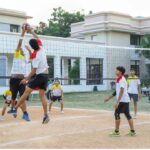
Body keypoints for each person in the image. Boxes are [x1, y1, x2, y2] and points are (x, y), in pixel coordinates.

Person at [12, 27, 50, 124]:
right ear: (37, 44)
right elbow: (37, 37)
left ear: (32, 47)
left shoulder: (35, 55)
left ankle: (15, 108)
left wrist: (26, 79)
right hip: (46, 76)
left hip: (40, 75)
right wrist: (31, 31)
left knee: (26, 91)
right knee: (42, 96)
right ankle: (46, 116)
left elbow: (34, 70)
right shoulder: (41, 48)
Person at [104, 66, 136, 136]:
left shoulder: (121, 79)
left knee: (117, 114)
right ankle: (132, 131)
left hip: (122, 100)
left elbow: (122, 90)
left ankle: (116, 131)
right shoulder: (119, 79)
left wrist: (118, 102)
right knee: (127, 115)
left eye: (117, 70)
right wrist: (109, 98)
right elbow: (117, 91)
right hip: (125, 100)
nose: (115, 71)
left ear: (120, 72)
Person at [8, 28, 30, 121]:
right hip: (13, 78)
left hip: (22, 80)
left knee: (22, 97)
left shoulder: (24, 59)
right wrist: (23, 33)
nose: (20, 48)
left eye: (21, 49)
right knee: (13, 97)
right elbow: (19, 44)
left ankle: (25, 114)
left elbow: (31, 59)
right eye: (19, 48)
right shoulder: (16, 54)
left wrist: (29, 50)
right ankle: (14, 109)